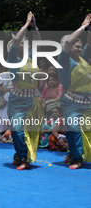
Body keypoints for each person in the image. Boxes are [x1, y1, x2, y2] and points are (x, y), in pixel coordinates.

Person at [7, 11, 43, 170]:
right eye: (21, 42)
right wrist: (26, 24)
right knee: (17, 129)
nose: (23, 44)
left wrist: (34, 28)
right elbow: (15, 42)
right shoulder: (12, 60)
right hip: (17, 100)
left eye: (25, 43)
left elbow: (39, 45)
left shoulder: (31, 58)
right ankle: (22, 157)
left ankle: (21, 157)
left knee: (30, 131)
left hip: (34, 99)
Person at [57, 14, 91, 169]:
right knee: (74, 129)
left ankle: (72, 154)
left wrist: (90, 29)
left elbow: (89, 44)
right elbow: (69, 41)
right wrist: (83, 26)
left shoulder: (81, 58)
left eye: (80, 46)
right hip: (71, 103)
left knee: (77, 131)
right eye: (77, 46)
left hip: (87, 102)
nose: (80, 48)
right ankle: (77, 158)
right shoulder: (64, 60)